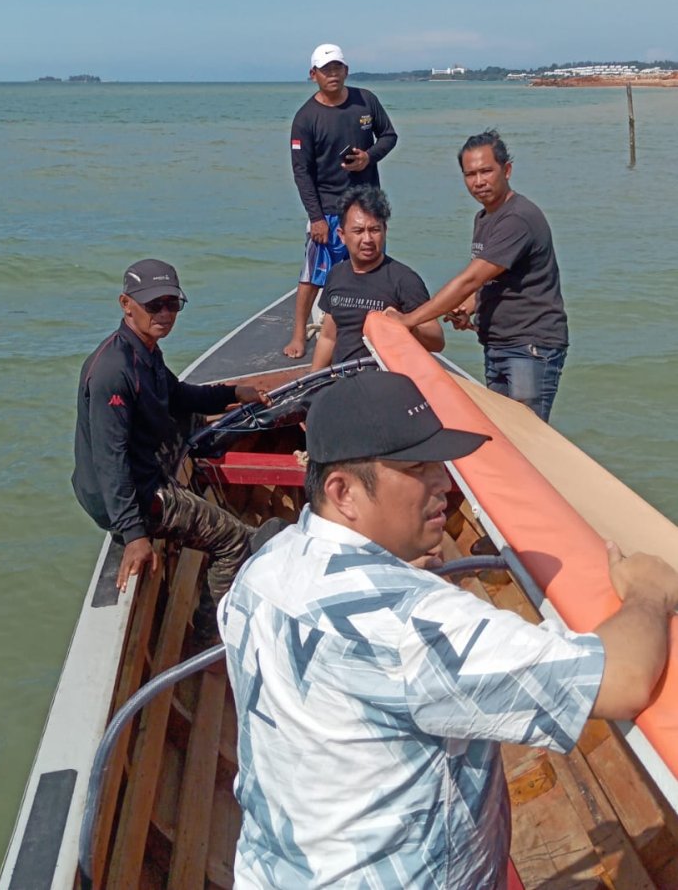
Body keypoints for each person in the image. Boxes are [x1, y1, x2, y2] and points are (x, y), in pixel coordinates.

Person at [219, 369, 678, 890]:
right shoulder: (411, 625)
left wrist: (396, 567)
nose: (444, 483)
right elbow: (621, 679)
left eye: (441, 462)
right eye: (418, 467)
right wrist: (649, 592)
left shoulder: (264, 570)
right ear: (343, 492)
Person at [72, 258, 271, 641]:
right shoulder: (114, 371)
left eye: (172, 303)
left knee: (197, 421)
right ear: (125, 304)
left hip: (141, 467)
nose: (164, 313)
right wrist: (134, 534)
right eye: (153, 305)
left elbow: (178, 396)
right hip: (131, 496)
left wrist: (233, 393)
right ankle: (209, 638)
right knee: (234, 540)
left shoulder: (144, 351)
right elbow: (109, 461)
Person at [390, 129, 568, 421]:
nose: (479, 181)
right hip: (497, 344)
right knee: (504, 436)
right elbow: (487, 281)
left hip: (529, 347)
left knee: (526, 439)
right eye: (470, 174)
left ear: (507, 170)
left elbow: (470, 279)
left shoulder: (518, 218)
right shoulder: (484, 218)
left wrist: (409, 320)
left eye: (486, 171)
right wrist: (469, 307)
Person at [284, 42, 398, 359]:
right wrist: (316, 217)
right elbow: (301, 172)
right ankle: (298, 333)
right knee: (313, 275)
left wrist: (369, 157)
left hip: (366, 206)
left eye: (337, 68)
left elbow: (389, 135)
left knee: (371, 269)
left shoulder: (366, 101)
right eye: (325, 69)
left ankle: (369, 331)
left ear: (346, 70)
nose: (332, 74)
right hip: (329, 209)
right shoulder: (306, 118)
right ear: (313, 74)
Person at [311, 184, 444, 370]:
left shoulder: (404, 280)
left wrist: (406, 326)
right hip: (343, 381)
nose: (367, 239)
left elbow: (437, 342)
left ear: (385, 230)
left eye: (374, 230)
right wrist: (311, 383)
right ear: (342, 236)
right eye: (358, 231)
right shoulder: (336, 274)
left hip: (385, 383)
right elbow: (328, 337)